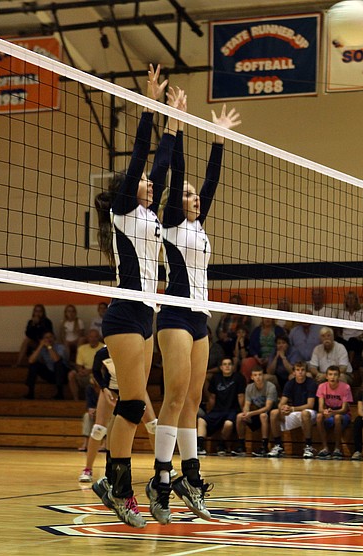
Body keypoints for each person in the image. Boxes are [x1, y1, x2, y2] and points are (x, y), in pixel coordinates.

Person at [91, 64, 177, 528]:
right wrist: (149, 102)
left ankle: (113, 481)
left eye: (148, 183)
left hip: (148, 313)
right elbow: (143, 157)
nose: (149, 183)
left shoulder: (150, 213)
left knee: (137, 402)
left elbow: (159, 165)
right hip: (125, 313)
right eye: (143, 182)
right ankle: (118, 488)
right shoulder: (125, 209)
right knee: (132, 403)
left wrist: (174, 123)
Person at [146, 100, 239, 525]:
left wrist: (219, 140)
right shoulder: (169, 222)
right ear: (173, 201)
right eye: (186, 194)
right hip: (175, 316)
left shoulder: (199, 225)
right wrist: (178, 128)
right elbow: (181, 174)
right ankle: (161, 481)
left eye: (195, 195)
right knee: (176, 396)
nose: (194, 196)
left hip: (200, 318)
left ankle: (190, 476)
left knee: (195, 400)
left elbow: (210, 180)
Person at [79, 347, 117, 483]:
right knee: (98, 429)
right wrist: (104, 387)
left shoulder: (132, 345)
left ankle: (164, 468)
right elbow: (95, 371)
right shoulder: (103, 352)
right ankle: (87, 469)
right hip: (109, 389)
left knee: (152, 424)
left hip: (131, 388)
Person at [267, 361, 318, 458]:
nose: (300, 372)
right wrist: (283, 408)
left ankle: (308, 446)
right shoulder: (290, 383)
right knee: (274, 413)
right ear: (293, 372)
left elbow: (310, 405)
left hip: (310, 413)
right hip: (295, 412)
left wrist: (292, 408)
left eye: (302, 370)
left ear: (306, 372)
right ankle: (278, 445)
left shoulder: (311, 383)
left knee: (305, 413)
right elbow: (281, 402)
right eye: (298, 370)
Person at [197, 358, 246, 456]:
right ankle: (200, 445)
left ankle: (221, 444)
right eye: (225, 364)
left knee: (228, 424)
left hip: (232, 410)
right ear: (221, 367)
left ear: (232, 366)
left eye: (229, 364)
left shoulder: (238, 377)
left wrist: (242, 411)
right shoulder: (216, 378)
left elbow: (241, 396)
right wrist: (210, 411)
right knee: (201, 420)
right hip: (218, 409)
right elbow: (212, 397)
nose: (227, 366)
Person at [234, 368, 278, 456]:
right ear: (252, 377)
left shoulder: (270, 387)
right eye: (255, 375)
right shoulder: (249, 387)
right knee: (239, 416)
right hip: (256, 413)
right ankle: (241, 445)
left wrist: (251, 413)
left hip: (270, 414)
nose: (258, 377)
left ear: (264, 376)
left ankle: (264, 446)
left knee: (263, 416)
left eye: (260, 375)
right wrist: (246, 412)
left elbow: (267, 407)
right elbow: (247, 404)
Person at [315, 365, 353, 459]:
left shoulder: (346, 387)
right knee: (319, 416)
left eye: (335, 374)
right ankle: (325, 448)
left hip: (343, 414)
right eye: (330, 374)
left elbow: (344, 409)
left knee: (337, 417)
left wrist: (333, 413)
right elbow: (320, 408)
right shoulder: (322, 387)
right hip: (329, 411)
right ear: (326, 376)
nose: (333, 377)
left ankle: (337, 448)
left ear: (339, 376)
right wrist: (325, 412)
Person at [25, 330, 67, 400]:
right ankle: (30, 392)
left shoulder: (61, 347)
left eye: (50, 337)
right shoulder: (42, 349)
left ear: (54, 338)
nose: (49, 339)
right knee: (33, 365)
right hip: (51, 374)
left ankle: (60, 393)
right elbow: (31, 360)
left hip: (63, 374)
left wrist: (49, 347)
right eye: (46, 338)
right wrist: (40, 346)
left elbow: (56, 359)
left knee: (58, 364)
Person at [70, 329, 105, 402]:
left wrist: (89, 371)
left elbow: (104, 366)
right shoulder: (82, 348)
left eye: (95, 337)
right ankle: (76, 400)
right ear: (87, 338)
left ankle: (99, 403)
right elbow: (79, 364)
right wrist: (80, 371)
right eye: (91, 337)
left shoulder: (104, 348)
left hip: (99, 373)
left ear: (98, 337)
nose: (93, 339)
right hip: (85, 373)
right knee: (71, 375)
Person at [340, 290, 363, 367]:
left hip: (359, 339)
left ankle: (349, 363)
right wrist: (340, 335)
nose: (350, 300)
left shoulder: (362, 312)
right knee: (338, 341)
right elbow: (338, 328)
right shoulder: (342, 313)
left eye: (352, 298)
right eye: (348, 298)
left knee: (352, 340)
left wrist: (360, 337)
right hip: (345, 339)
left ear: (356, 301)